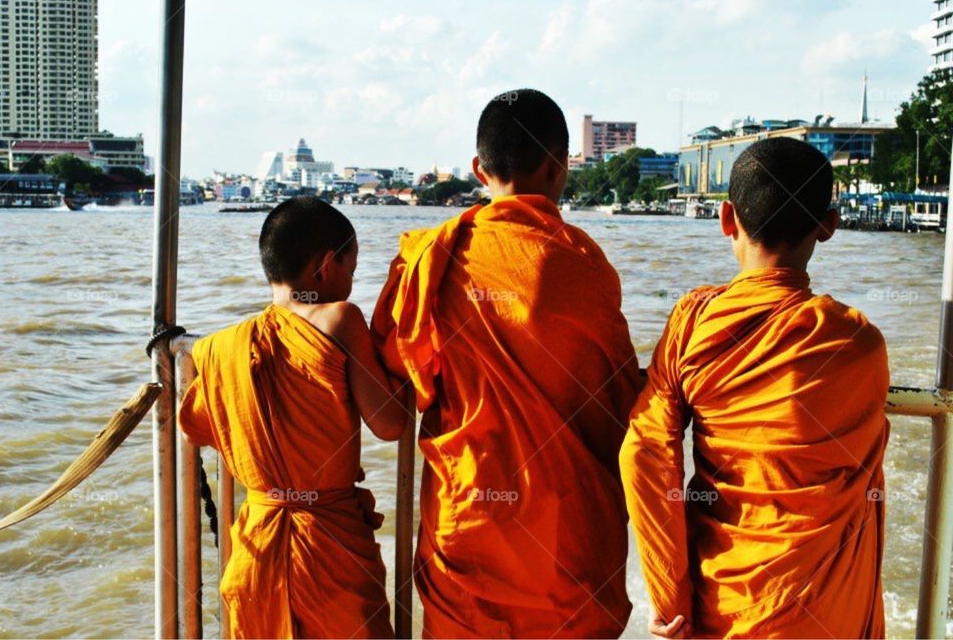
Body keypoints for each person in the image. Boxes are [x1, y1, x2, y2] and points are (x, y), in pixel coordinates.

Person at [372, 88, 642, 637]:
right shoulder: (581, 263)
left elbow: (397, 369)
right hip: (568, 540)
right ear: (560, 167)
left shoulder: (432, 257)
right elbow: (617, 393)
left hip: (468, 525)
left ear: (477, 168)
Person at [620, 137, 889, 638]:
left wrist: (669, 599)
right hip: (829, 614)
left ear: (727, 219)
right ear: (828, 226)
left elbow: (644, 454)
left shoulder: (694, 321)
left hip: (724, 608)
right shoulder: (859, 344)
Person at [179, 197, 409, 639]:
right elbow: (389, 424)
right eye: (351, 269)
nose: (350, 282)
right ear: (325, 267)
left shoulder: (218, 348)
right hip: (329, 551)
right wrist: (398, 365)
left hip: (255, 549)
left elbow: (197, 430)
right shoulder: (339, 319)